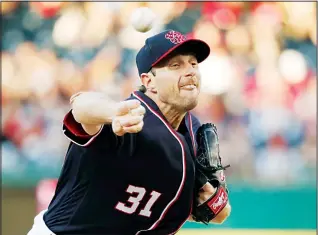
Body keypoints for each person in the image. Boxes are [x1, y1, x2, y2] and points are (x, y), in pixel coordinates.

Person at [27, 29, 231, 235]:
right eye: (175, 65)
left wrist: (213, 200)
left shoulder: (193, 132)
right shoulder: (128, 117)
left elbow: (219, 213)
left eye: (193, 64)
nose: (190, 71)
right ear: (149, 81)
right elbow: (82, 106)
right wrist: (112, 113)